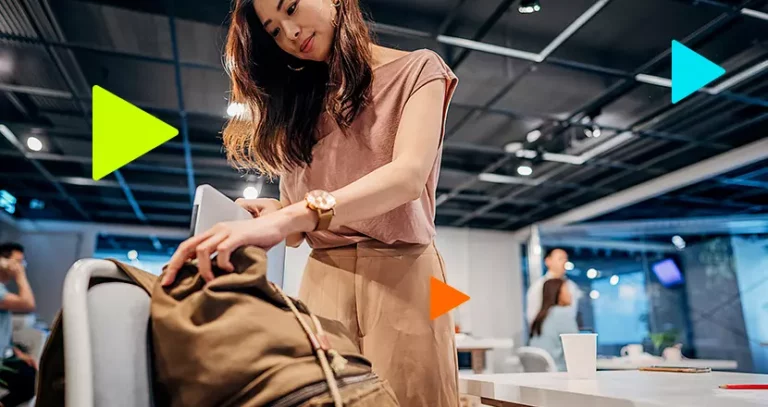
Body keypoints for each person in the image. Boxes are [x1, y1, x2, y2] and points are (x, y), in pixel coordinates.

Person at [162, 0, 459, 405]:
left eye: (291, 8)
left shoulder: (419, 70)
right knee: (326, 397)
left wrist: (290, 218)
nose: (290, 32)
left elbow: (407, 177)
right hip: (323, 277)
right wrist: (276, 213)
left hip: (403, 271)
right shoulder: (299, 105)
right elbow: (299, 227)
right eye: (273, 30)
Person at [0, 243, 37, 407]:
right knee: (30, 381)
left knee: (33, 377)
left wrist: (18, 353)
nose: (21, 267)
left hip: (5, 355)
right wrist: (20, 276)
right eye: (18, 262)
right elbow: (28, 304)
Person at [528, 279, 579, 371]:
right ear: (558, 294)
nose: (571, 295)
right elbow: (577, 349)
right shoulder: (563, 314)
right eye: (567, 290)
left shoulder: (540, 317)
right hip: (559, 373)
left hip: (540, 375)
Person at [525, 248, 582, 325]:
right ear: (548, 261)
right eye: (560, 259)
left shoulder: (571, 286)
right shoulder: (538, 286)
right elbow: (532, 315)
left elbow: (572, 313)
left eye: (566, 259)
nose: (564, 262)